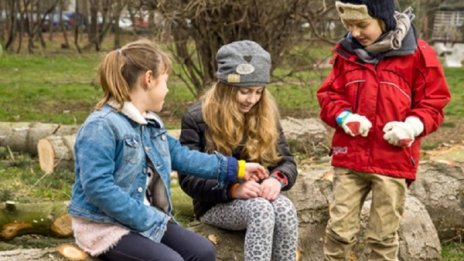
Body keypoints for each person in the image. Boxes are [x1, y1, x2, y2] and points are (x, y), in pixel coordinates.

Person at [67, 39, 268, 261]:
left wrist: (237, 169)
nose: (168, 89)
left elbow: (183, 157)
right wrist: (146, 218)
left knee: (204, 251)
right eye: (166, 81)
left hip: (148, 219)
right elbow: (98, 188)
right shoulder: (102, 126)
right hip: (104, 226)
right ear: (149, 79)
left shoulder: (151, 124)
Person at [317, 0, 451, 260]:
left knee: (383, 237)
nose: (355, 33)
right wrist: (345, 117)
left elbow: (434, 103)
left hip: (393, 162)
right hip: (350, 159)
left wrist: (411, 126)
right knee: (339, 232)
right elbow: (329, 96)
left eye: (362, 25)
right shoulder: (347, 53)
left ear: (384, 19)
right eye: (349, 25)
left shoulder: (418, 55)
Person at [178, 40, 299, 261]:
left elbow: (286, 162)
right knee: (260, 211)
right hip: (216, 202)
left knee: (285, 208)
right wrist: (233, 189)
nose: (252, 99)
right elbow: (188, 179)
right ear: (226, 88)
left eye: (258, 91)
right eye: (244, 91)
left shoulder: (266, 114)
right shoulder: (197, 117)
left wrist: (277, 180)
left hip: (259, 195)